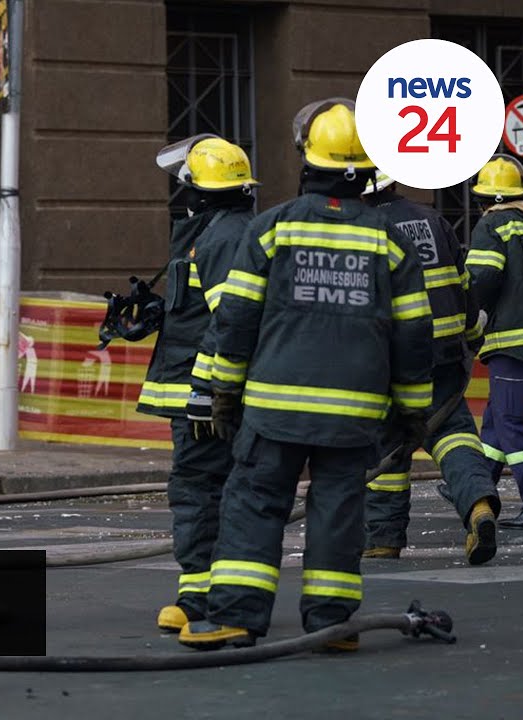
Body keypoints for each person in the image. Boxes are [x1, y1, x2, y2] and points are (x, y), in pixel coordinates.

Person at [178, 98, 433, 651]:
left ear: (306, 160)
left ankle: (236, 617)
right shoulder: (391, 242)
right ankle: (331, 625)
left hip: (274, 408)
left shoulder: (272, 229)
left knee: (254, 503)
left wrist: (224, 390)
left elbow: (236, 319)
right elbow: (414, 336)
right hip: (354, 414)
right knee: (339, 511)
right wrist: (414, 410)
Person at [137, 135, 258, 633]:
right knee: (217, 489)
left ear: (201, 192)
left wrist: (208, 390)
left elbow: (231, 320)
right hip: (204, 392)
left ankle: (200, 597)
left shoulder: (222, 238)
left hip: (206, 396)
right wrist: (153, 313)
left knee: (199, 489)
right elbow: (202, 310)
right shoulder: (214, 232)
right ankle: (212, 592)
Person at [361, 170, 500, 562]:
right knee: (453, 434)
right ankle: (478, 506)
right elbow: (463, 286)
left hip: (392, 359)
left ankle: (383, 539)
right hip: (445, 356)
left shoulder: (365, 227)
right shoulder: (433, 219)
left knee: (387, 443)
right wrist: (472, 335)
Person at [466, 154, 523, 529]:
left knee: (513, 422)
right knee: (497, 420)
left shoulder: (493, 225)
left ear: (488, 199)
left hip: (512, 341)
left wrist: (469, 317)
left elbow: (482, 277)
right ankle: (474, 487)